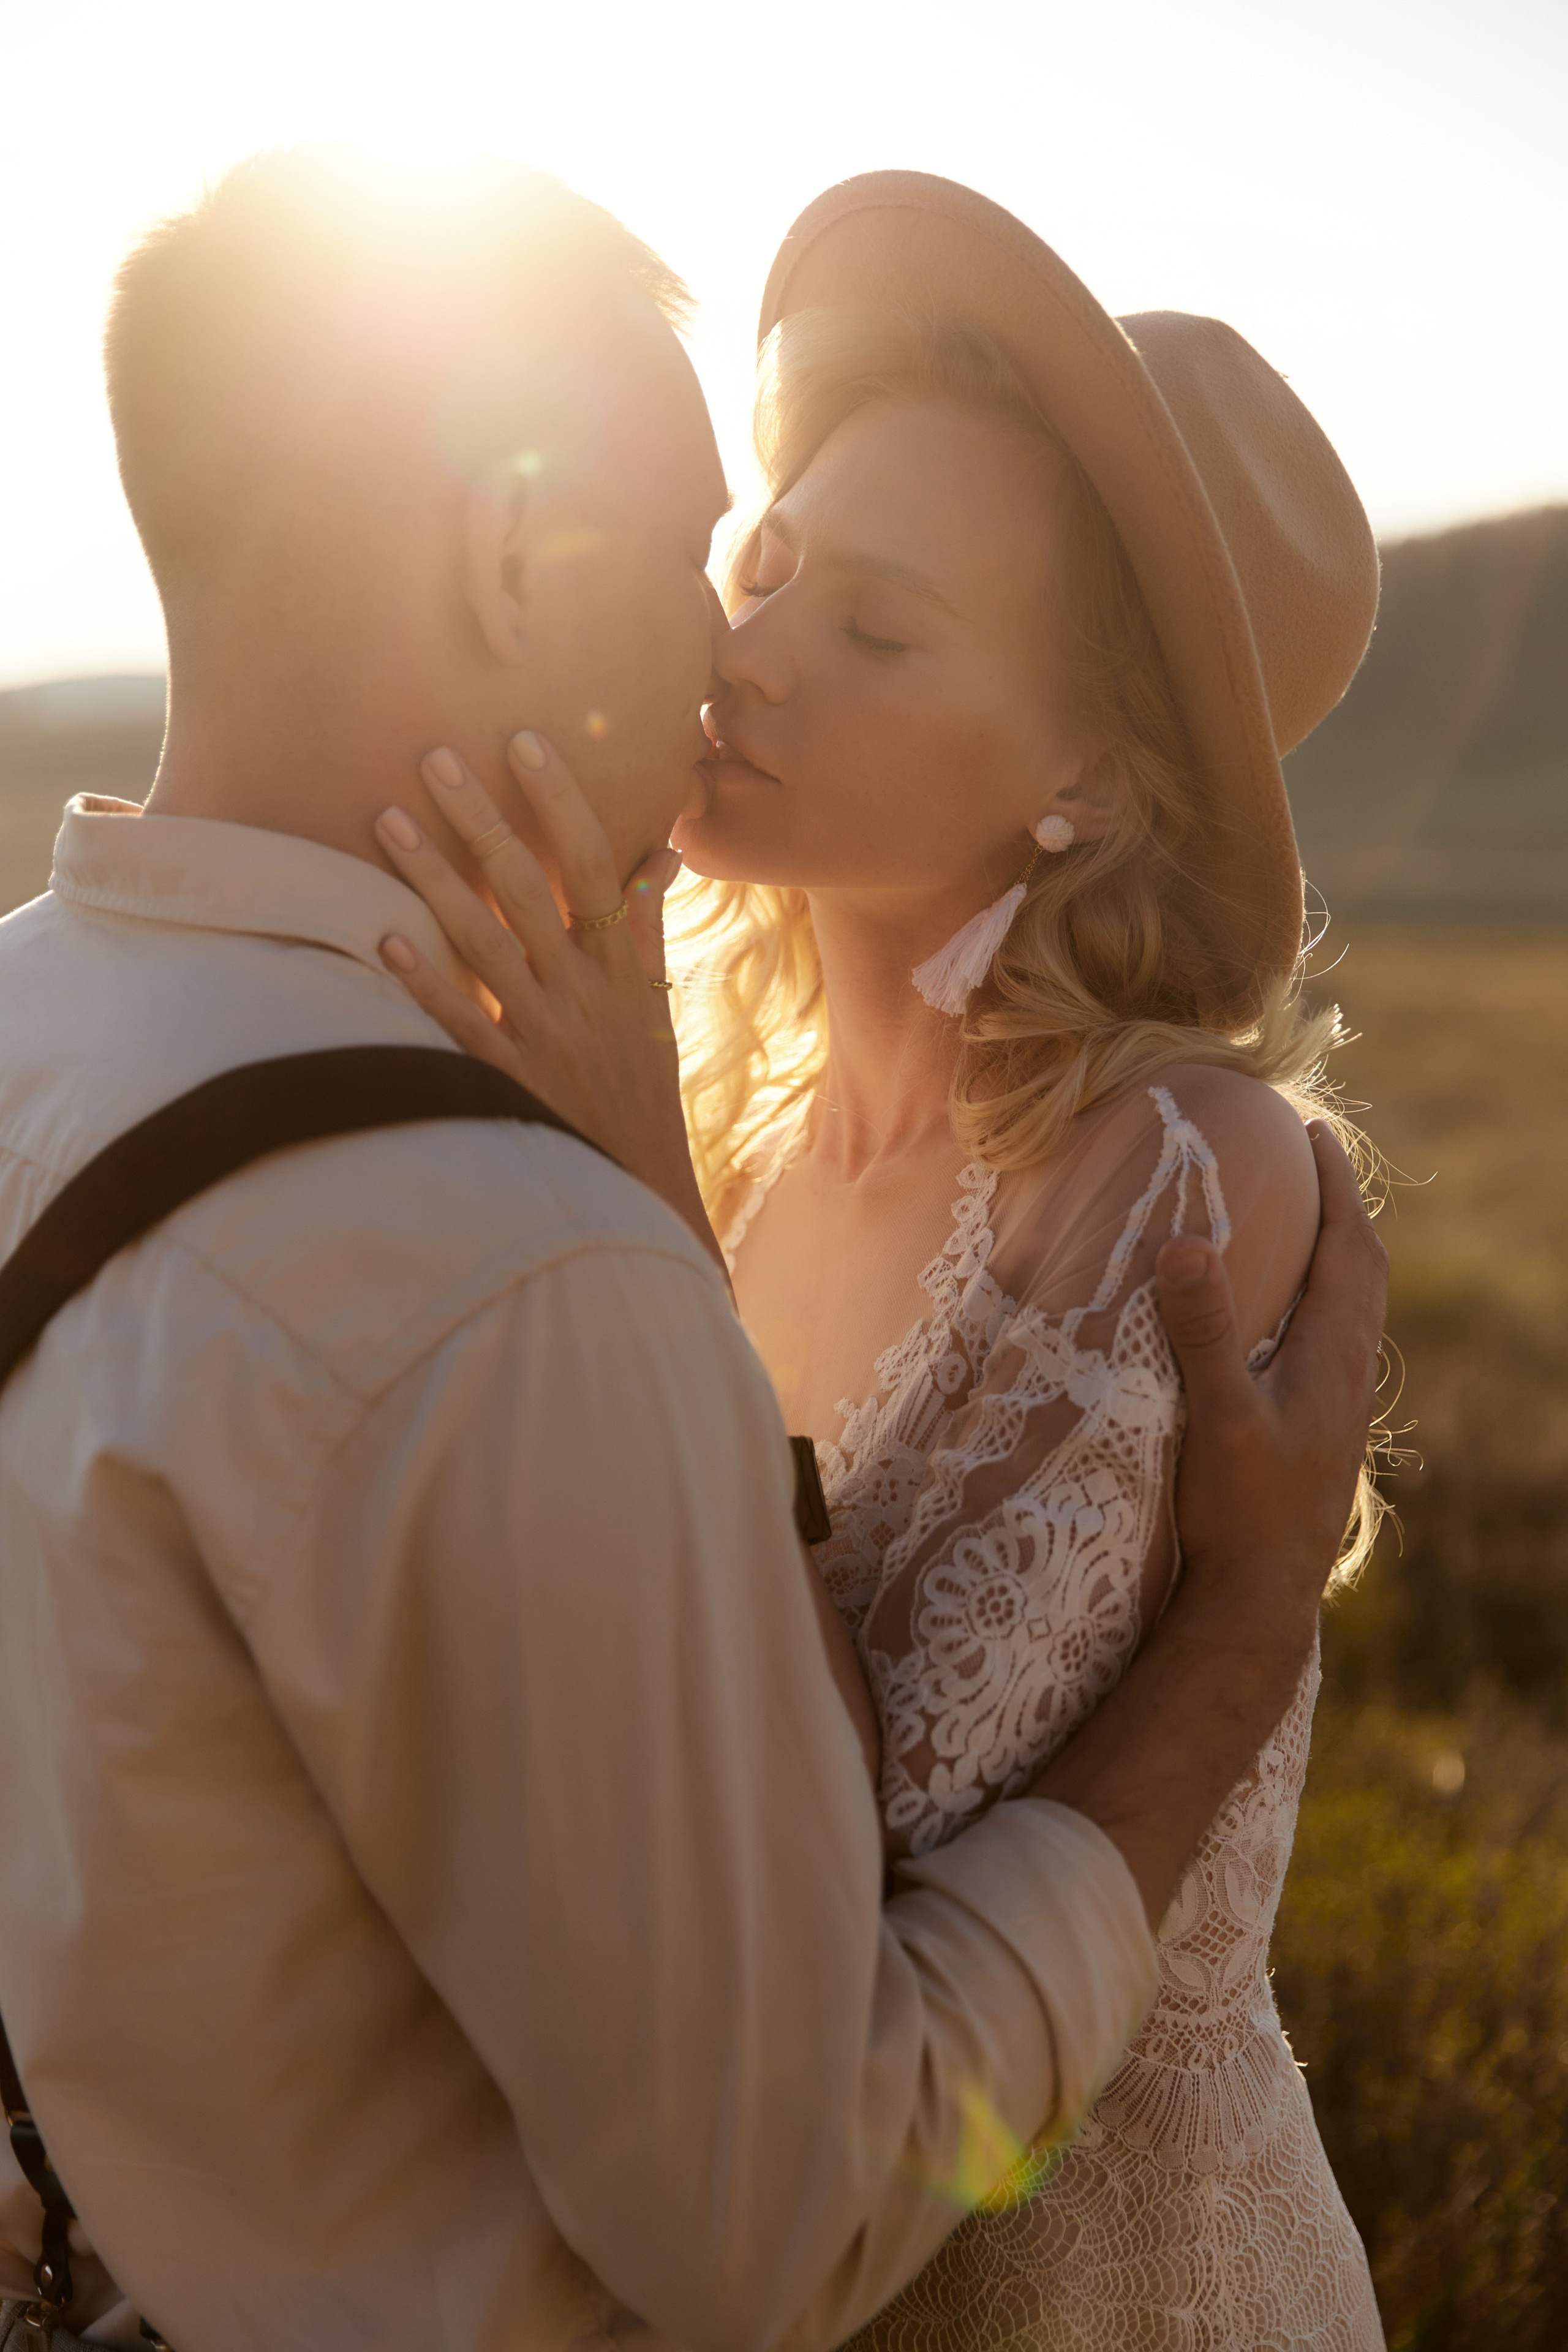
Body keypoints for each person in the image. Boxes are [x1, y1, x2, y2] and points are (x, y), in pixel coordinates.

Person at [0, 150, 1385, 2352]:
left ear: (1090, 789)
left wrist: (633, 1196)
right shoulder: (655, 1125)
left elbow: (861, 1886)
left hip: (1072, 2269)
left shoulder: (1176, 1192)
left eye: (878, 627)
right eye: (762, 562)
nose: (743, 652)